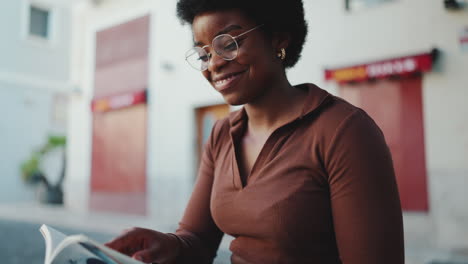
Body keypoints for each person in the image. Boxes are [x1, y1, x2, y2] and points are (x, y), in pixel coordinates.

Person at [105, 0, 405, 263]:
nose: (215, 64)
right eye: (203, 54)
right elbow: (196, 241)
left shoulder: (343, 131)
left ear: (278, 39)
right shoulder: (222, 134)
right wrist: (165, 245)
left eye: (230, 44)